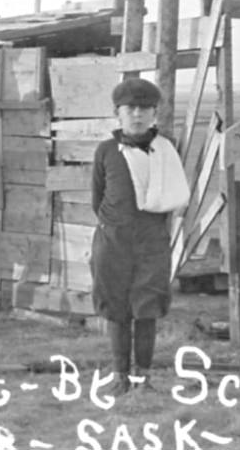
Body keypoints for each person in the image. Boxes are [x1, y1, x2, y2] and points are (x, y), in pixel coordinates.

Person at [91, 78, 190, 393]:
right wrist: (115, 225)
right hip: (114, 240)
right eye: (130, 108)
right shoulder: (106, 151)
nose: (137, 115)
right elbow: (98, 197)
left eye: (144, 109)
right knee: (116, 307)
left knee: (146, 307)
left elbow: (174, 194)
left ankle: (142, 377)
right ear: (117, 113)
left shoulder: (165, 151)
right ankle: (120, 376)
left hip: (151, 241)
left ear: (154, 114)